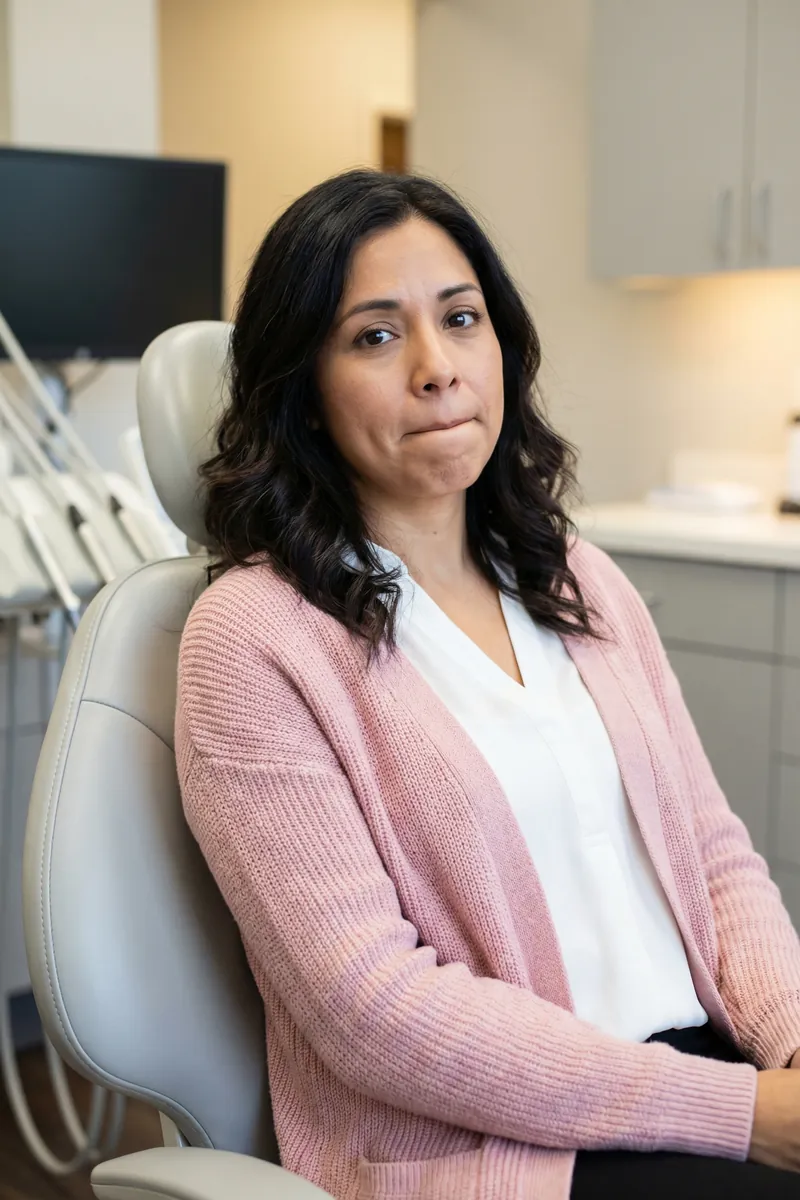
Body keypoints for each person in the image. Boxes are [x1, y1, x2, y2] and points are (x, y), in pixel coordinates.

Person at [175, 169, 800, 1200]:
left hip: (710, 1082)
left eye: (459, 319)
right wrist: (739, 1118)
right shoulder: (252, 641)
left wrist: (787, 1056)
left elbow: (710, 853)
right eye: (374, 336)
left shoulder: (571, 575)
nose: (435, 367)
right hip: (504, 1150)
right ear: (302, 390)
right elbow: (369, 1008)